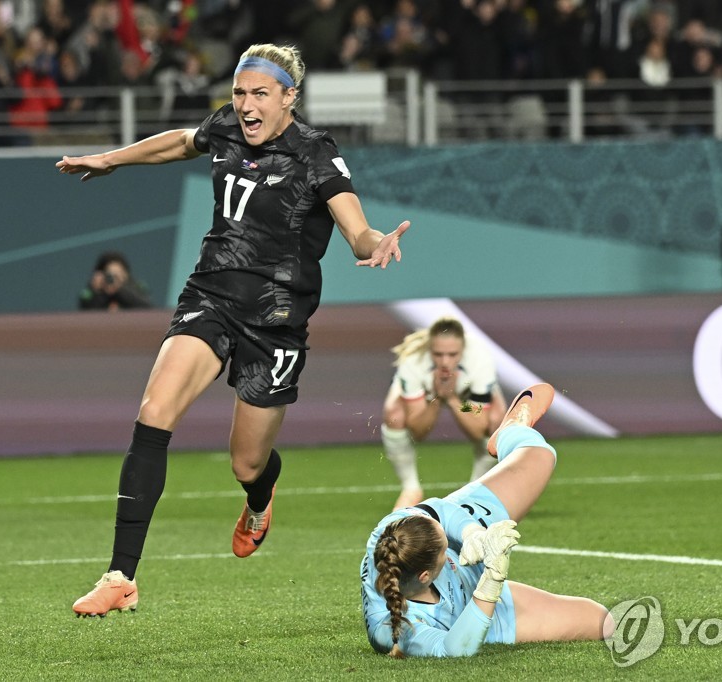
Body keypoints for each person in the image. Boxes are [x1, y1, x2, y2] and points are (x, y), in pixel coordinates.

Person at [58, 42, 412, 617]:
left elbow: (356, 228)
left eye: (259, 95)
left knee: (246, 463)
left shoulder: (315, 151)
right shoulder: (226, 126)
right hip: (210, 296)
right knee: (154, 412)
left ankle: (260, 494)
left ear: (289, 97)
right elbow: (180, 141)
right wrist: (111, 158)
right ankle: (121, 576)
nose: (245, 106)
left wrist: (377, 244)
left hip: (276, 320)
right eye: (240, 93)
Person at [362, 383, 611, 657]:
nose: (449, 543)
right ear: (426, 575)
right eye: (446, 548)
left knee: (540, 454)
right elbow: (454, 649)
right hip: (480, 611)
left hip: (468, 526)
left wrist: (471, 535)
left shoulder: (390, 532)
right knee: (603, 622)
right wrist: (491, 581)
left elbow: (441, 511)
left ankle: (510, 432)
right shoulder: (393, 629)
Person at [382, 317, 506, 510]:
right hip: (428, 397)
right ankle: (411, 488)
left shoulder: (481, 357)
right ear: (429, 349)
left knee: (496, 421)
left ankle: (474, 491)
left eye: (452, 354)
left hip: (465, 400)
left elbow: (477, 427)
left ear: (463, 350)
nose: (445, 362)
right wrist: (438, 399)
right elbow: (418, 432)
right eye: (438, 354)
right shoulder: (413, 361)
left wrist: (453, 399)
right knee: (394, 414)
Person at [78, 250, 152, 311]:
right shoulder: (93, 291)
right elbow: (85, 313)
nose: (114, 279)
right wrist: (97, 292)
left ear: (126, 274)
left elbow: (148, 308)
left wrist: (120, 291)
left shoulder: (137, 287)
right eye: (110, 275)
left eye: (118, 274)